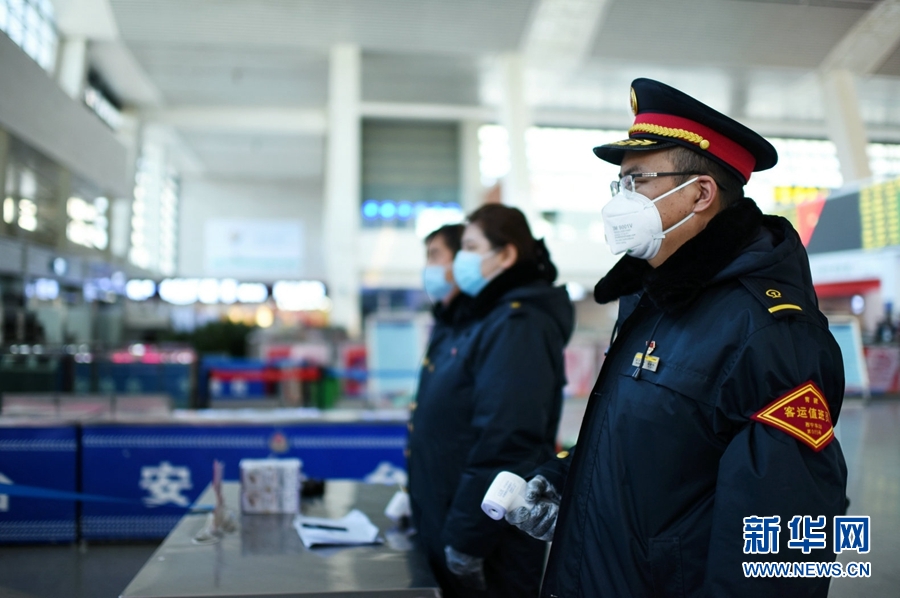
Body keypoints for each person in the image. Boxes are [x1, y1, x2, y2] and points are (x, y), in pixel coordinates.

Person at [506, 78, 848, 597]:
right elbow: (656, 442)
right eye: (619, 184)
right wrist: (566, 480)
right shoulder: (654, 300)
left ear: (701, 194)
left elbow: (784, 537)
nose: (621, 200)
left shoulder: (769, 331)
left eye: (637, 181)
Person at [407, 205, 574, 597]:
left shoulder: (518, 325)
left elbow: (507, 440)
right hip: (458, 519)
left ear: (505, 255)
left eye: (470, 247)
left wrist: (466, 538)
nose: (460, 260)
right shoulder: (486, 318)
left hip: (490, 536)